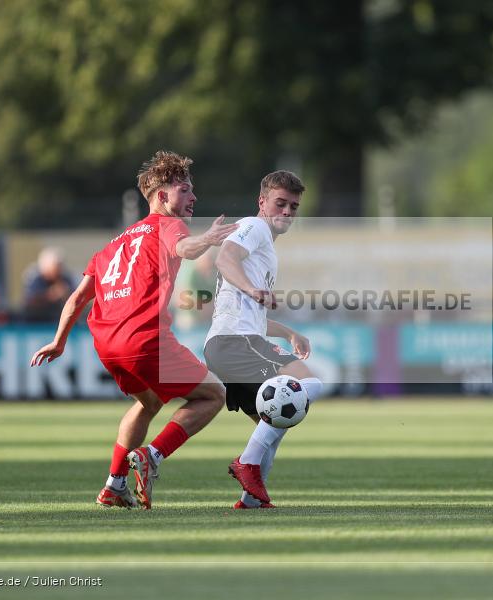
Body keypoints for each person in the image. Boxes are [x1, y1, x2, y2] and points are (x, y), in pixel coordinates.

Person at [31, 150, 237, 510]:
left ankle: (114, 484)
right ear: (161, 197)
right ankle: (152, 457)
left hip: (107, 343)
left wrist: (58, 341)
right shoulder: (169, 225)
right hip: (144, 338)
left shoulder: (114, 244)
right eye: (185, 189)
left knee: (150, 402)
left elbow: (78, 298)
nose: (193, 197)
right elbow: (185, 247)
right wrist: (206, 239)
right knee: (213, 395)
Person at [203, 170, 323, 509]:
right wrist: (253, 288)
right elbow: (225, 259)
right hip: (235, 342)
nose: (286, 212)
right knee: (309, 385)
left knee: (275, 421)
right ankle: (247, 463)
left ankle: (251, 501)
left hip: (231, 342)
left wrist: (288, 332)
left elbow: (248, 310)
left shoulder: (265, 246)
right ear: (262, 202)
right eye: (280, 204)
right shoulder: (254, 228)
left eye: (293, 207)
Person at [22, 248, 75, 322]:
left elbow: (76, 299)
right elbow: (29, 302)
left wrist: (66, 295)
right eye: (55, 267)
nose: (58, 270)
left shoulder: (65, 279)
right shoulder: (35, 278)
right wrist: (51, 295)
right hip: (35, 323)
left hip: (58, 321)